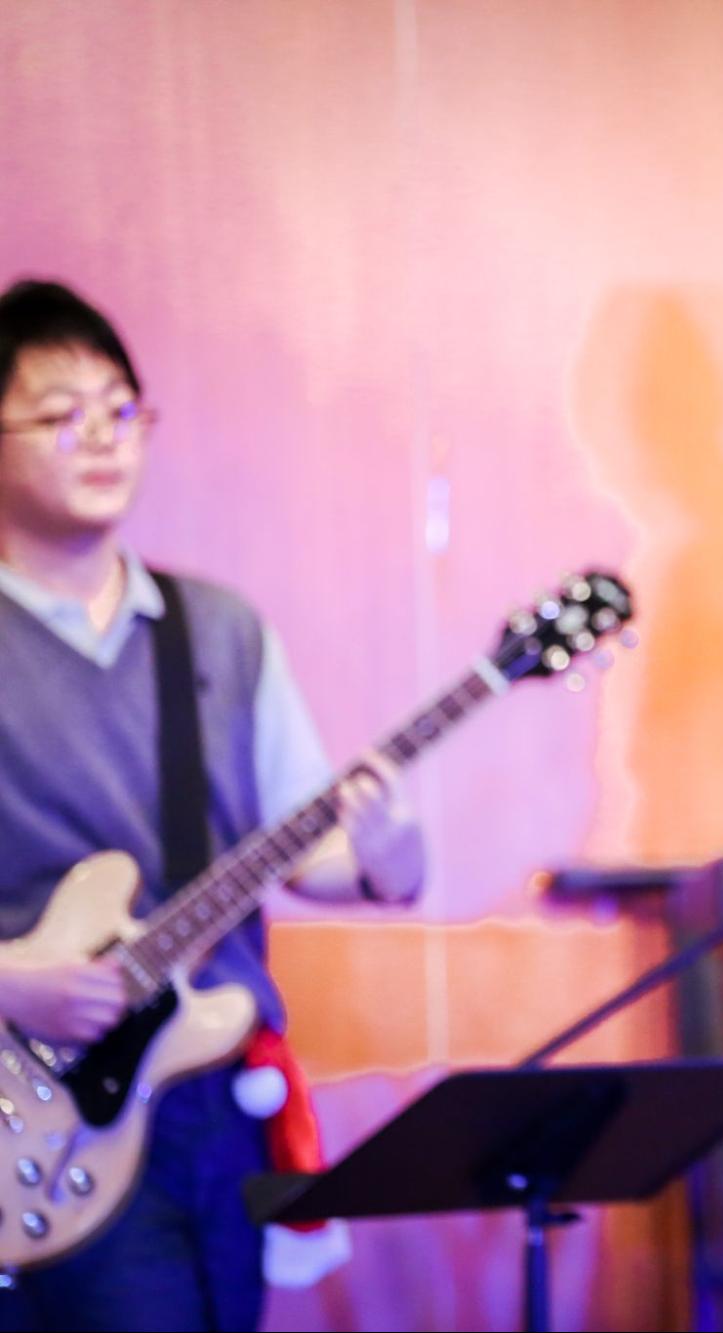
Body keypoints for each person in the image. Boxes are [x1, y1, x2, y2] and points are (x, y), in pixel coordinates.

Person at [0, 278, 425, 1332]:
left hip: (221, 1093)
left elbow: (303, 844)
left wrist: (384, 853)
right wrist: (17, 983)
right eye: (60, 413)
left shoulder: (218, 631)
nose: (100, 437)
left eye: (120, 408)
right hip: (44, 1107)